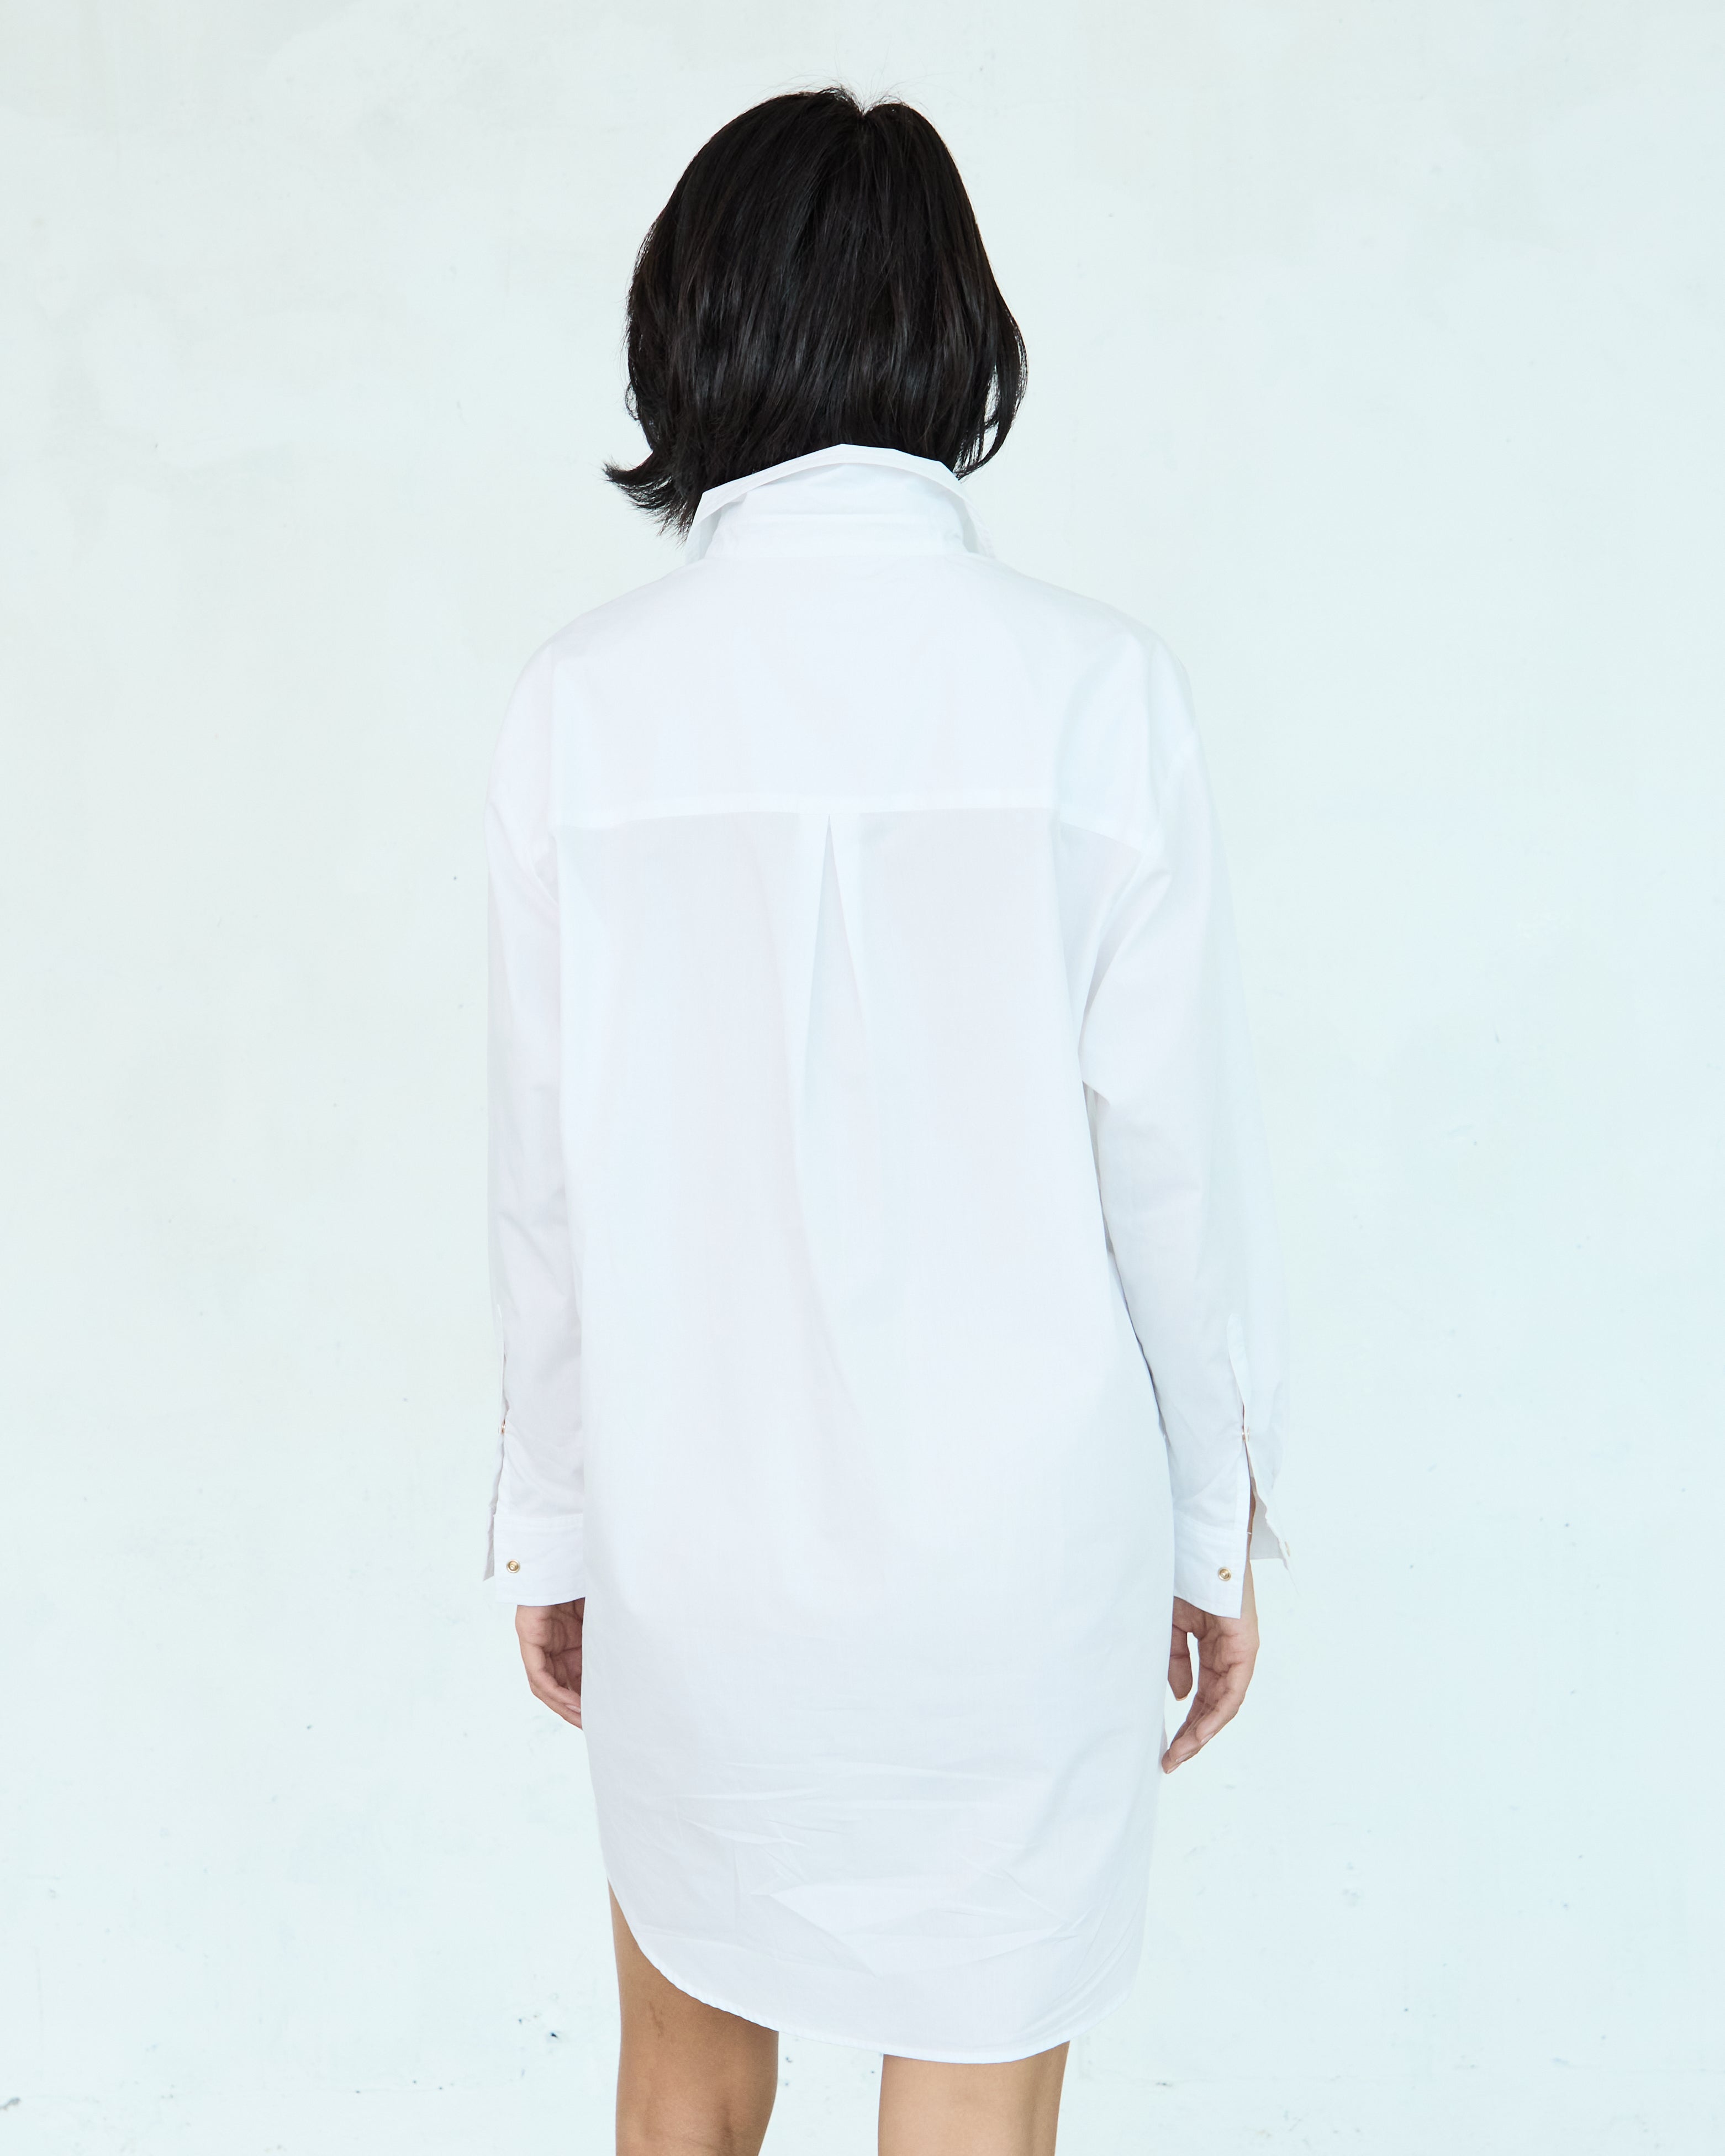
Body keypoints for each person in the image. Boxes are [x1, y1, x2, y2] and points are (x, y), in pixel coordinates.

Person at [483, 85, 1290, 2156]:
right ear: (957, 332)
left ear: (689, 327)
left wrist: (554, 1522)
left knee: (682, 2077)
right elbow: (1173, 1178)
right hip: (1021, 1549)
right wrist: (1212, 1525)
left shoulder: (583, 701)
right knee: (973, 2096)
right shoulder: (1098, 691)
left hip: (699, 1526)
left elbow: (545, 1180)